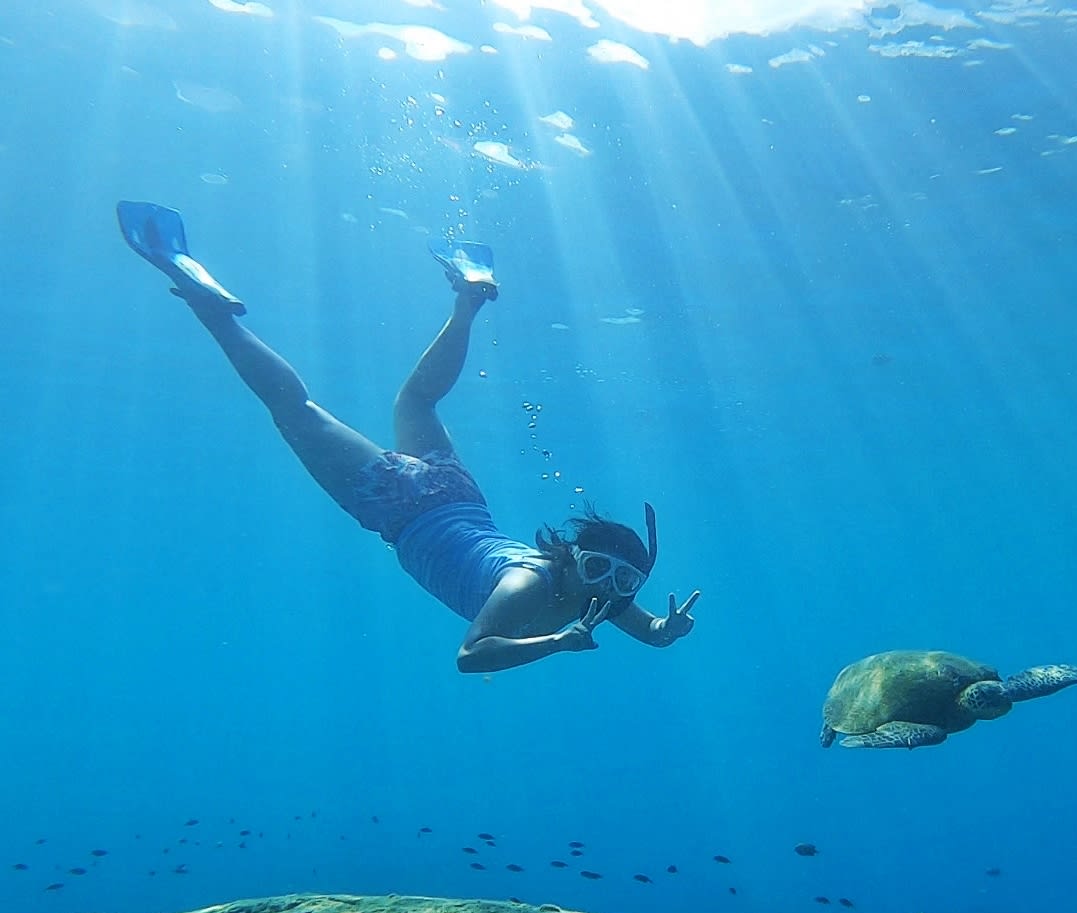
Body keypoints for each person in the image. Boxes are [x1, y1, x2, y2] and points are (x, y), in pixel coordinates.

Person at [116, 201, 699, 674]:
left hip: (460, 497)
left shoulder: (606, 598)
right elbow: (472, 657)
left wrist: (663, 631)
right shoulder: (527, 585)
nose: (607, 587)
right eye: (599, 570)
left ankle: (468, 300)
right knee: (293, 409)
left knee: (415, 400)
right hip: (401, 505)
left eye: (622, 581)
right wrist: (555, 643)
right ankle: (214, 311)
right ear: (570, 557)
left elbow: (645, 630)